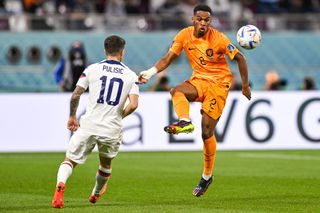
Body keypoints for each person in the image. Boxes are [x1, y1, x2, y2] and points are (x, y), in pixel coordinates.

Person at [138, 4, 251, 197]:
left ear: (210, 22)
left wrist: (245, 86)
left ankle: (207, 176)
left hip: (218, 85)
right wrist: (149, 73)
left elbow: (240, 58)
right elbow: (168, 58)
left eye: (207, 20)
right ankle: (185, 121)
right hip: (199, 80)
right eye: (200, 19)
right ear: (193, 19)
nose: (203, 23)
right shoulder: (184, 35)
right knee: (176, 90)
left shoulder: (219, 38)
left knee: (207, 132)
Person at [52, 35, 139, 208]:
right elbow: (134, 104)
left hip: (89, 125)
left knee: (69, 160)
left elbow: (76, 94)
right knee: (105, 164)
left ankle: (60, 186)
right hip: (111, 128)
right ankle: (96, 193)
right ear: (122, 52)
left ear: (105, 51)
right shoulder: (130, 75)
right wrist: (119, 115)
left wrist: (72, 116)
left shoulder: (92, 69)